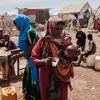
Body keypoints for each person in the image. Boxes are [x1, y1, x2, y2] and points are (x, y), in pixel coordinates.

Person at [31, 16, 75, 100]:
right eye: (57, 29)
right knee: (48, 95)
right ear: (50, 27)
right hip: (46, 72)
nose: (60, 31)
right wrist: (43, 61)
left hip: (63, 73)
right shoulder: (43, 41)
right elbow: (34, 57)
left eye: (61, 29)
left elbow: (71, 53)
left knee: (62, 94)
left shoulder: (66, 40)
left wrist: (72, 54)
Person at [13, 14, 40, 100]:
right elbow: (23, 47)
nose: (16, 27)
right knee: (27, 78)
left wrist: (15, 56)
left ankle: (34, 97)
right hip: (30, 60)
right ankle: (29, 96)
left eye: (16, 24)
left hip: (34, 60)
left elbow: (30, 52)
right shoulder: (24, 31)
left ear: (21, 23)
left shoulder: (30, 32)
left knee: (33, 80)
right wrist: (12, 51)